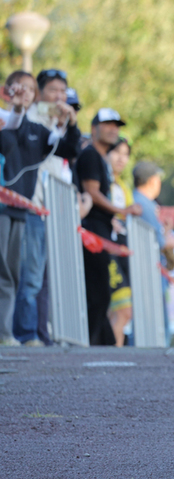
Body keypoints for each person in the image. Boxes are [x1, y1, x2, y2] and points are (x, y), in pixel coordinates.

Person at [0, 71, 80, 346]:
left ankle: (17, 333)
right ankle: (20, 332)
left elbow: (67, 149)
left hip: (28, 209)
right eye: (52, 90)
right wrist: (19, 108)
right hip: (12, 206)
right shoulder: (16, 120)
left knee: (17, 274)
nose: (59, 96)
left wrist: (71, 123)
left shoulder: (41, 128)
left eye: (63, 91)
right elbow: (12, 130)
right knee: (13, 274)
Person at [76, 108, 142, 346]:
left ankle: (98, 344)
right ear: (94, 128)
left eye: (117, 125)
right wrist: (122, 211)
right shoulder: (91, 155)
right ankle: (92, 345)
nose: (114, 129)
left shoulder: (101, 159)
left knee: (102, 294)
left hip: (101, 232)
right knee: (97, 293)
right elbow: (91, 192)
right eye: (108, 124)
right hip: (93, 232)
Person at [132, 160, 174, 342]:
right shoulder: (145, 204)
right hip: (150, 271)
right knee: (157, 324)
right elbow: (155, 242)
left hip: (148, 270)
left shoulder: (137, 200)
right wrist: (168, 240)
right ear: (152, 181)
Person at [106, 137, 133, 346]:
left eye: (126, 155)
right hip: (107, 252)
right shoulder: (100, 181)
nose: (121, 159)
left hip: (121, 252)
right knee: (122, 310)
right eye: (117, 152)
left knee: (120, 312)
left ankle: (113, 354)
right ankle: (113, 357)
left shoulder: (122, 186)